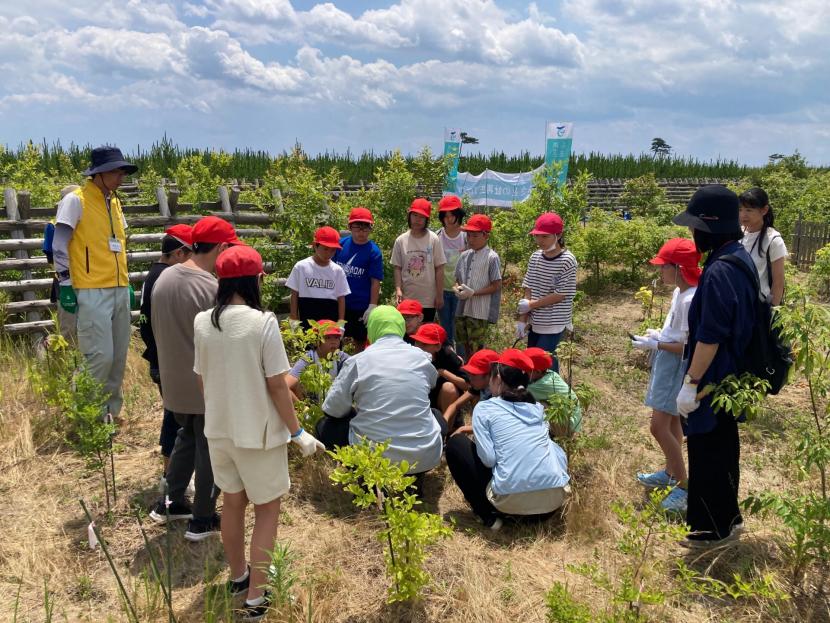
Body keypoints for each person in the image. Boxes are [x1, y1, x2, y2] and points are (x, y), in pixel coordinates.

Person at [193, 244, 324, 620]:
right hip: (259, 434)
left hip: (219, 431)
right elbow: (277, 385)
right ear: (256, 280)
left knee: (232, 502)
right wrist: (298, 433)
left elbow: (202, 379)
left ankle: (239, 577)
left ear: (220, 281)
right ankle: (257, 598)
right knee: (267, 510)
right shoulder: (263, 322)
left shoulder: (203, 321)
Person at [148, 216, 242, 542]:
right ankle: (202, 519)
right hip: (203, 386)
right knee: (211, 451)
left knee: (186, 437)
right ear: (219, 247)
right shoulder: (209, 287)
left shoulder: (164, 277)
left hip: (174, 384)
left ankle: (170, 502)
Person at [672, 185, 757, 547]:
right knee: (723, 446)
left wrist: (691, 383)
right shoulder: (738, 257)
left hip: (712, 378)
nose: (693, 234)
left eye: (696, 227)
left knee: (707, 451)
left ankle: (711, 530)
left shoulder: (720, 269)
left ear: (711, 227)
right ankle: (729, 519)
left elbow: (711, 336)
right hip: (730, 377)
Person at [52, 146, 137, 419]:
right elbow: (59, 245)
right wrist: (65, 284)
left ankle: (109, 413)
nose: (121, 176)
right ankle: (85, 415)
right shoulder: (76, 201)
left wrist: (125, 281)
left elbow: (119, 245)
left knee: (118, 357)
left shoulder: (114, 201)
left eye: (123, 171)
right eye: (116, 171)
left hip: (118, 287)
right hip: (90, 289)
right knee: (99, 356)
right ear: (99, 173)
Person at [445, 349, 570, 530]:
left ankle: (488, 517)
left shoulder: (485, 409)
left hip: (509, 506)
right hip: (551, 506)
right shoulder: (537, 408)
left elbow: (488, 460)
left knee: (456, 444)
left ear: (497, 379)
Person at [317, 306, 444, 478]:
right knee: (435, 415)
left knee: (325, 426)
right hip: (425, 457)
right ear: (400, 328)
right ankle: (416, 476)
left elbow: (332, 409)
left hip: (375, 458)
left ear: (371, 329)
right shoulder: (422, 357)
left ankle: (364, 476)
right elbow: (431, 383)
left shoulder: (358, 361)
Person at [629, 239, 701, 514]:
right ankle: (671, 472)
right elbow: (676, 333)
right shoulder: (679, 293)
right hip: (667, 359)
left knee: (657, 427)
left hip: (674, 363)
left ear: (679, 267)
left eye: (664, 267)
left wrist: (657, 344)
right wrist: (658, 336)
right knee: (671, 423)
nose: (660, 272)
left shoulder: (691, 298)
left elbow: (688, 345)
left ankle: (683, 485)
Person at [139, 224, 193, 475]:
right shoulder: (166, 277)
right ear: (180, 253)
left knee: (175, 416)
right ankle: (172, 478)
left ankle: (173, 475)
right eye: (190, 253)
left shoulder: (155, 273)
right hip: (168, 360)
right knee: (176, 418)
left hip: (160, 358)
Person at [517, 212, 578, 373]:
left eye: (545, 237)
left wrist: (531, 305)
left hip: (554, 322)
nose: (540, 241)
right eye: (537, 236)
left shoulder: (567, 260)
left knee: (544, 365)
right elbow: (528, 286)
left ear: (558, 235)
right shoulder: (535, 257)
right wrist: (523, 318)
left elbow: (560, 294)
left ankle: (552, 396)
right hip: (535, 320)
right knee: (532, 362)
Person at [333, 207, 383, 351]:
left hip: (361, 305)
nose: (361, 231)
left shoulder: (373, 251)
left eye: (365, 227)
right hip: (339, 302)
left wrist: (372, 305)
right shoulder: (340, 245)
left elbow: (375, 281)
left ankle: (358, 368)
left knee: (360, 341)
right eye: (357, 226)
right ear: (350, 227)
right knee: (335, 339)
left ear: (370, 228)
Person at [453, 214, 502, 359]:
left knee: (477, 350)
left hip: (480, 311)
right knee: (462, 346)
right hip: (462, 309)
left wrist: (474, 293)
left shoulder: (492, 257)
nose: (471, 239)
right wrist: (457, 289)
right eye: (468, 235)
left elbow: (496, 285)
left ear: (486, 236)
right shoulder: (464, 255)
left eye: (475, 236)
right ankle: (466, 377)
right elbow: (457, 279)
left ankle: (477, 379)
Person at [391, 198, 447, 322]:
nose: (417, 220)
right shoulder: (401, 240)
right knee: (407, 333)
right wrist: (398, 289)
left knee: (425, 333)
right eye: (415, 215)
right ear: (409, 216)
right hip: (407, 299)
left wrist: (439, 295)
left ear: (427, 220)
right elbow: (397, 268)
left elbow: (439, 268)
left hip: (428, 299)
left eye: (422, 217)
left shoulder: (433, 239)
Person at [286, 226, 350, 329]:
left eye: (333, 250)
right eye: (325, 249)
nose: (329, 253)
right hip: (306, 319)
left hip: (330, 322)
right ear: (315, 246)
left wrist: (341, 322)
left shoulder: (338, 270)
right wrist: (293, 318)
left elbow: (341, 298)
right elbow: (294, 294)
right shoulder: (301, 267)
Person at [738, 187, 787, 305]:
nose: (743, 215)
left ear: (764, 210)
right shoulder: (738, 234)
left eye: (749, 210)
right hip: (737, 304)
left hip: (758, 306)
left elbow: (778, 283)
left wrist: (771, 314)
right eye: (740, 209)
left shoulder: (773, 240)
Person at [410, 323, 469, 416]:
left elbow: (468, 385)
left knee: (449, 388)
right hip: (418, 401)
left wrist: (443, 372)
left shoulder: (448, 356)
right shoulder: (410, 355)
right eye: (417, 342)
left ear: (438, 347)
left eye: (424, 344)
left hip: (441, 402)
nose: (419, 347)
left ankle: (447, 426)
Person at [524, 347, 583, 438]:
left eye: (526, 369)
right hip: (570, 420)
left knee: (531, 403)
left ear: (538, 371)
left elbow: (519, 391)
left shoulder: (542, 384)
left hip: (567, 426)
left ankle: (554, 434)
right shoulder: (551, 374)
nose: (523, 371)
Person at [286, 320, 349, 403]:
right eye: (327, 338)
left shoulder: (341, 358)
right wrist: (303, 407)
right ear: (316, 341)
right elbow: (285, 386)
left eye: (336, 337)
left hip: (336, 409)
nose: (333, 341)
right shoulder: (308, 359)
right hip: (313, 411)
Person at [444, 348, 500, 434]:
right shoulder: (480, 387)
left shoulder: (500, 396)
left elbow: (491, 426)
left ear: (490, 375)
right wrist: (444, 421)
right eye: (469, 374)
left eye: (474, 375)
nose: (470, 378)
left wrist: (463, 429)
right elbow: (454, 405)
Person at [436, 195, 467, 344]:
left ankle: (462, 365)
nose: (449, 219)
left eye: (452, 215)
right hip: (441, 290)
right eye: (445, 216)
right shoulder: (437, 236)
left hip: (460, 291)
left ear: (459, 215)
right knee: (445, 330)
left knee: (459, 330)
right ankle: (448, 360)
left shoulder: (466, 236)